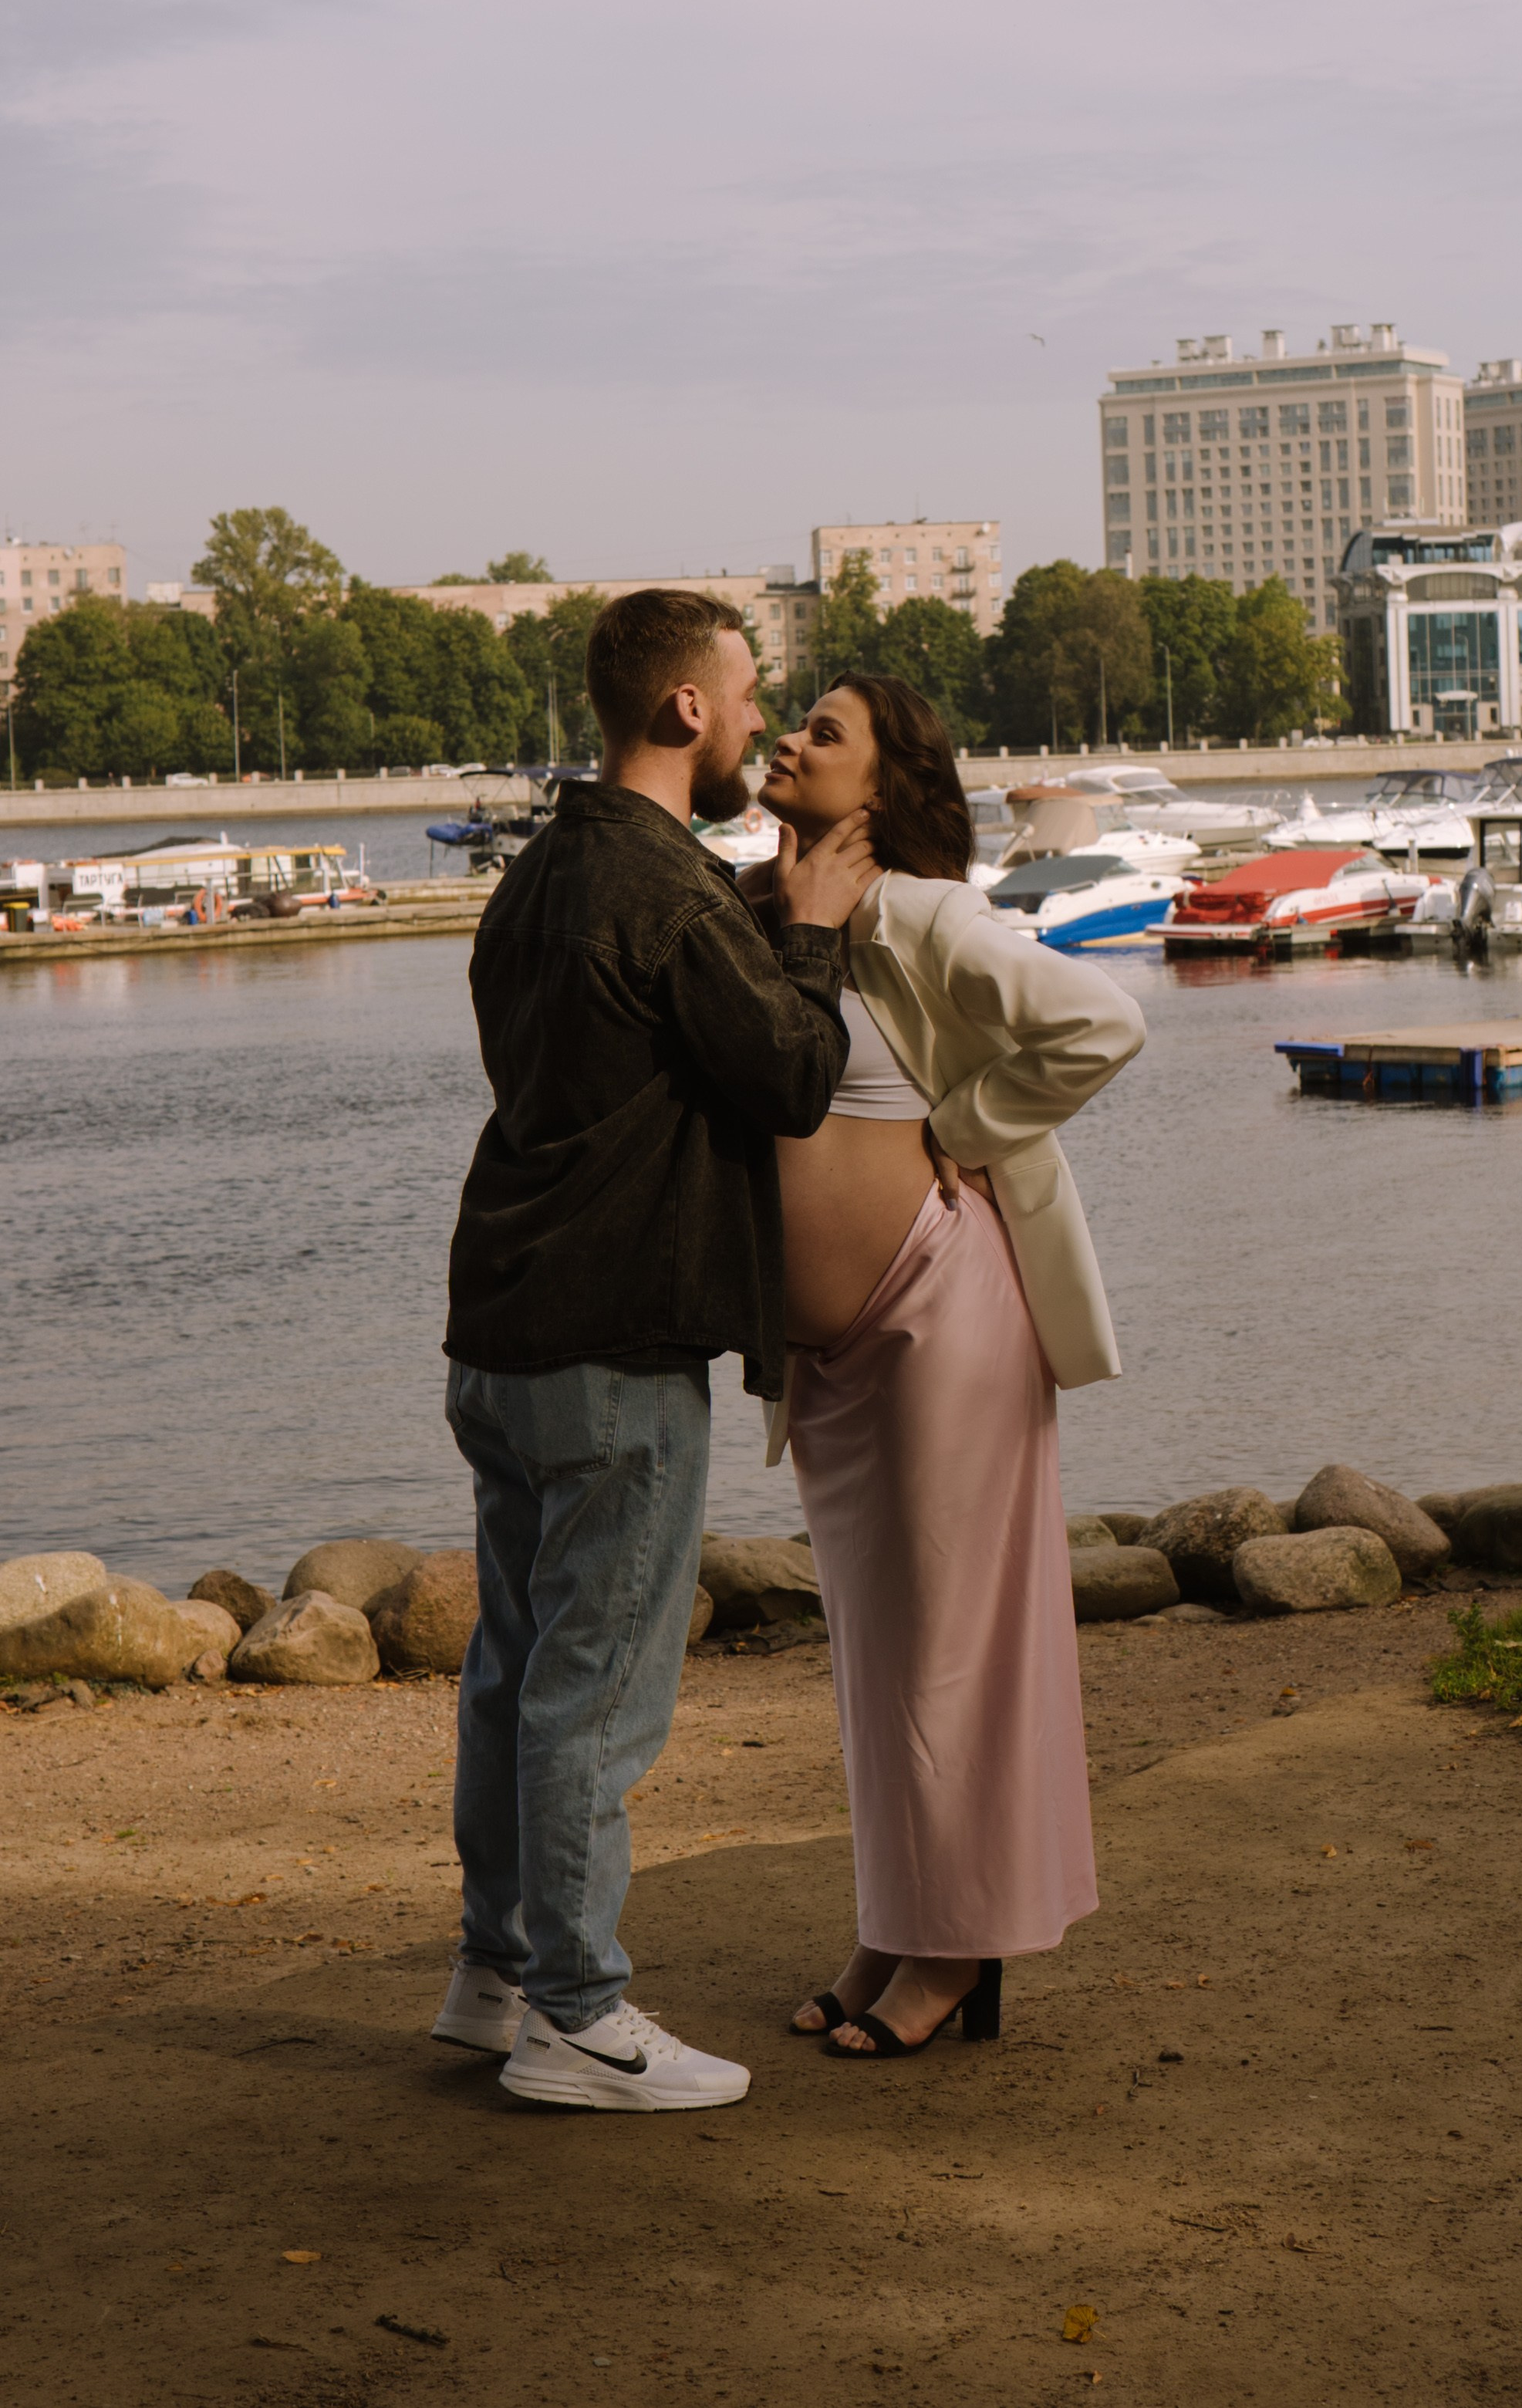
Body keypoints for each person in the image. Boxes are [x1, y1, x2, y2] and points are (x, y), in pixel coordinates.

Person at [437, 589, 877, 2112]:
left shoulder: (542, 871)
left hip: (500, 1324)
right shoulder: (668, 887)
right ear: (687, 710)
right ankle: (575, 2015)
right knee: (594, 1695)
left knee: (512, 1670)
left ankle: (495, 1977)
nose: (762, 719)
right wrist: (812, 932)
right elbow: (794, 1075)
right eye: (750, 694)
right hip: (615, 1336)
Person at [747, 674, 1145, 2060]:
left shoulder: (921, 911)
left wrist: (968, 1122)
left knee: (954, 1652)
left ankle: (960, 1953)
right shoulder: (784, 916)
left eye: (827, 733)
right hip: (843, 1359)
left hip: (942, 1313)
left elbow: (1101, 1020)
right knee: (877, 1652)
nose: (790, 739)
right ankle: (898, 1924)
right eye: (792, 720)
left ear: (887, 788)